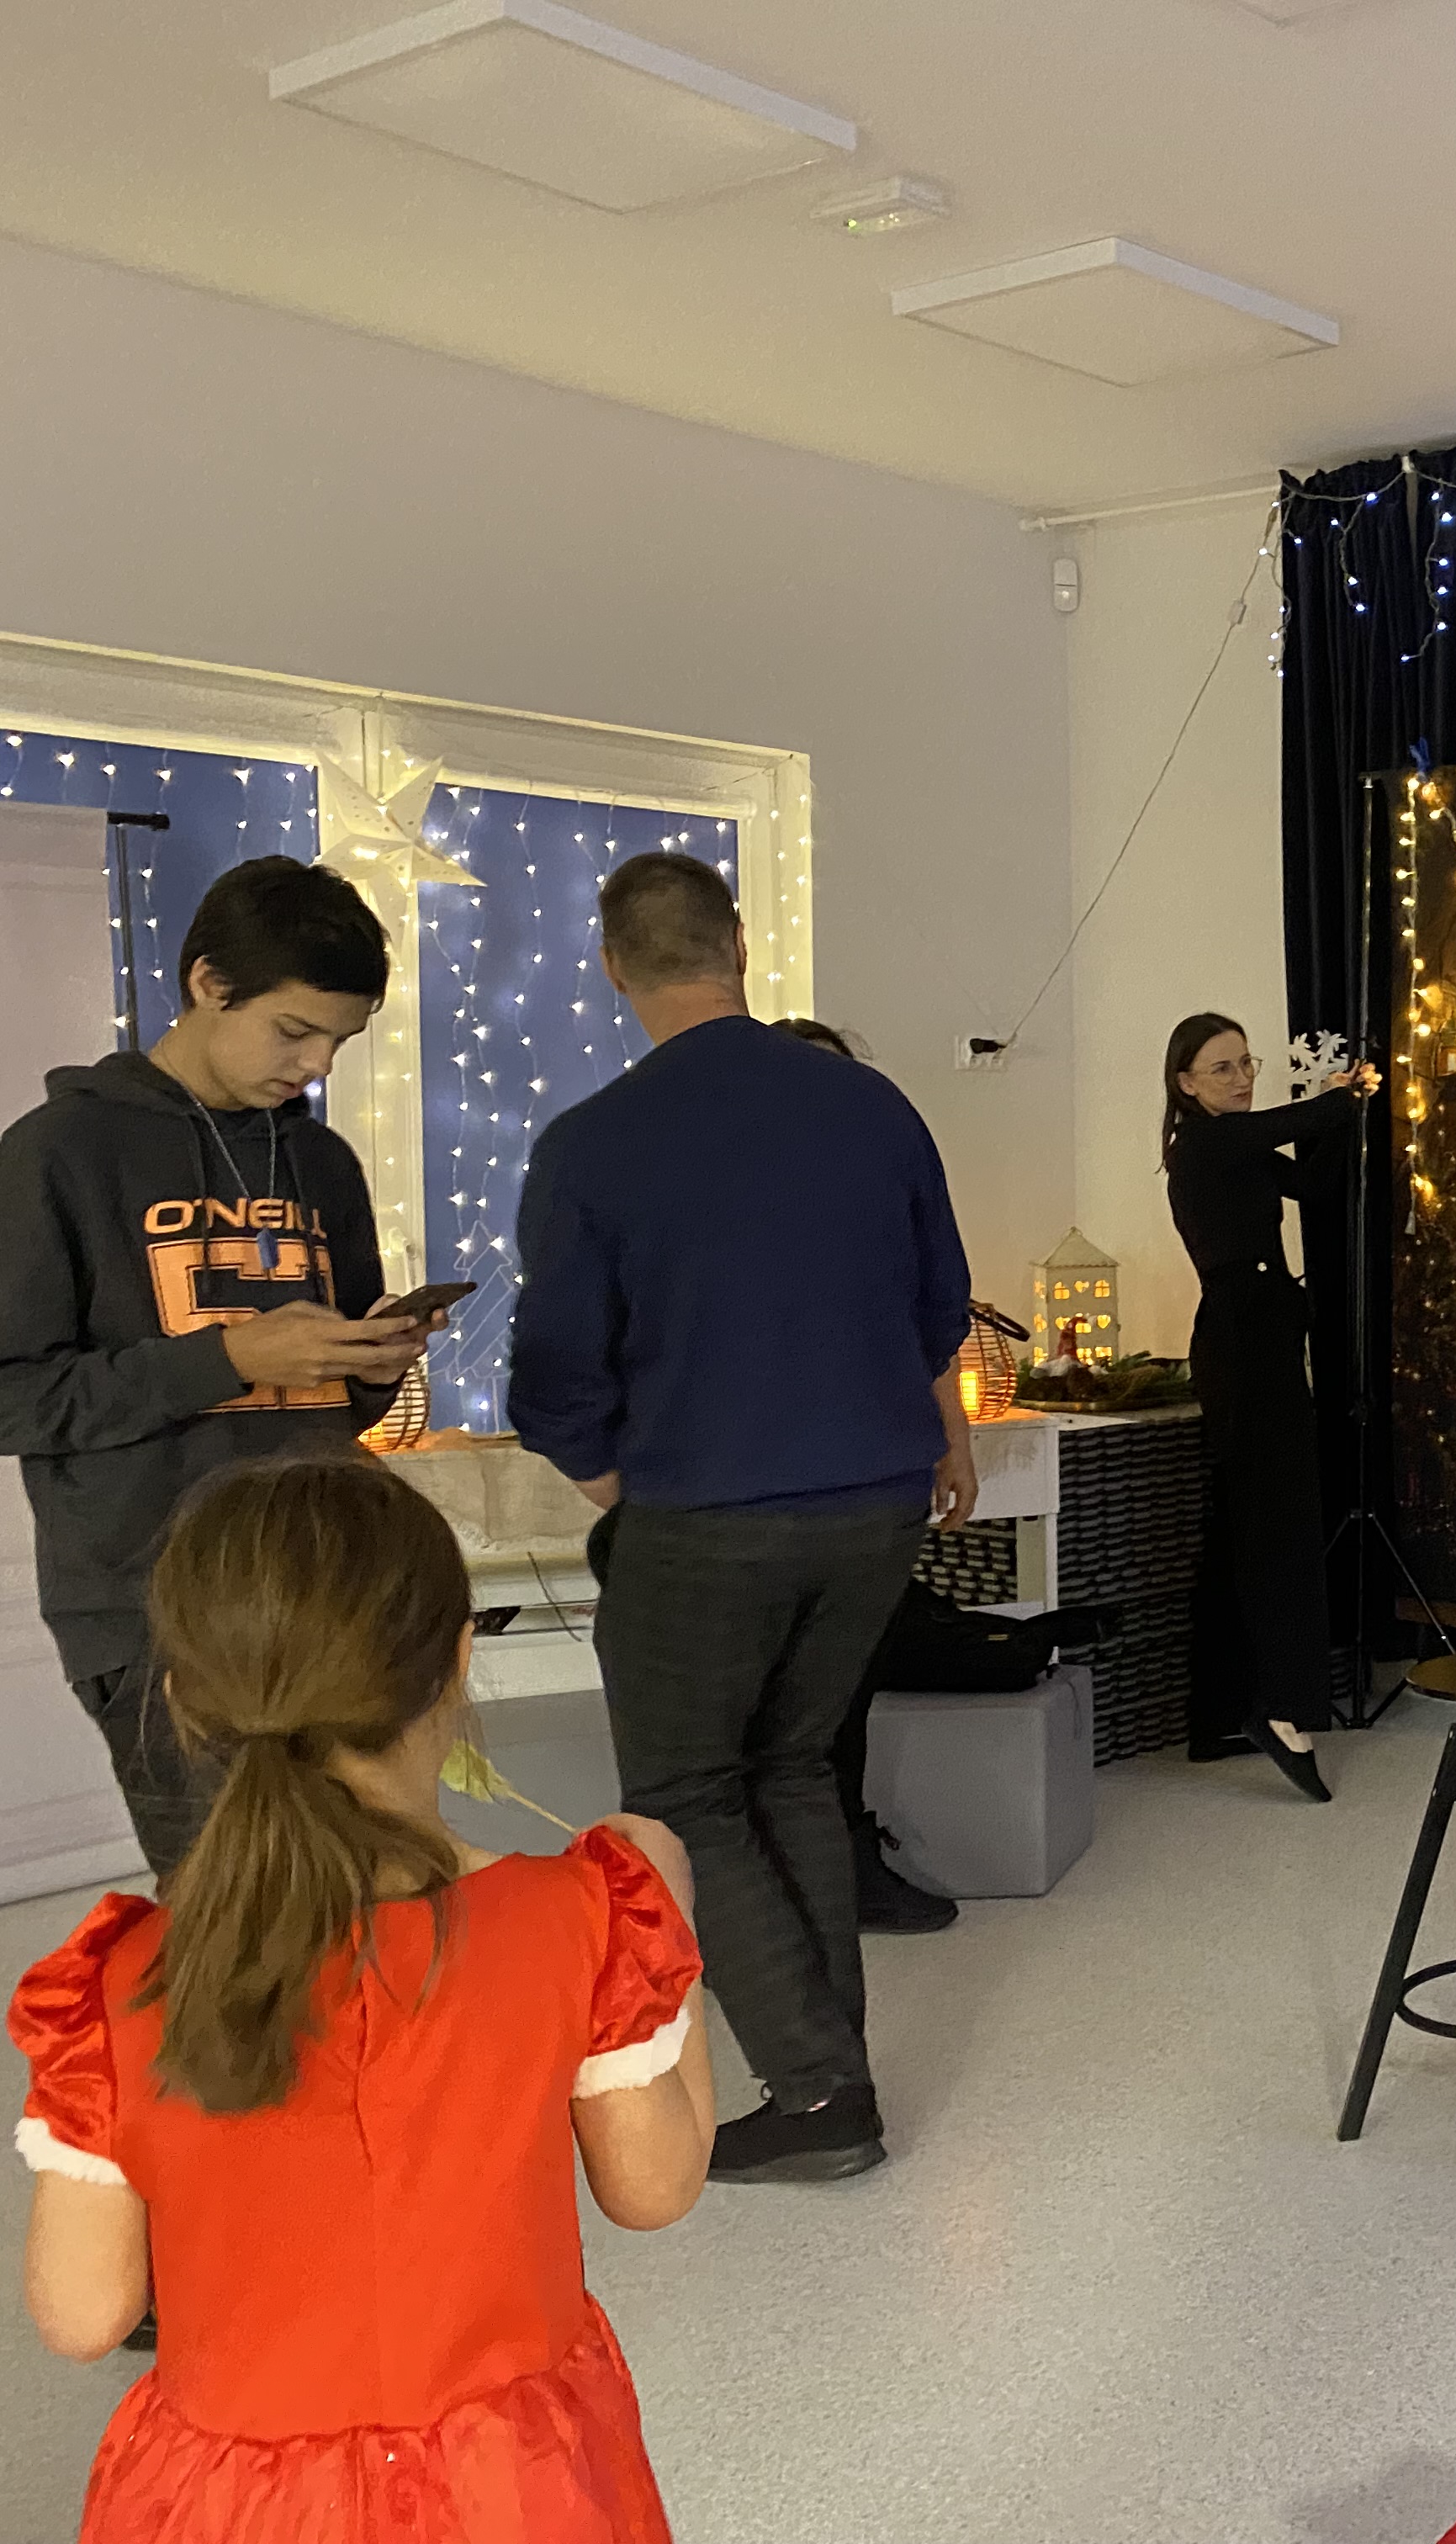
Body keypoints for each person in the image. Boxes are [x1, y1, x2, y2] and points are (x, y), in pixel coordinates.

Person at [10, 1455, 712, 2544]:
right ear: (458, 1661)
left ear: (185, 1699)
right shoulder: (580, 1915)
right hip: (515, 2489)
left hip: (227, 2508)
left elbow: (82, 2312)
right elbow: (654, 2188)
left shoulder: (119, 1979)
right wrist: (665, 1919)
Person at [510, 853, 975, 2187]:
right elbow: (940, 1304)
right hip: (874, 1505)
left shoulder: (594, 1141)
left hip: (703, 1511)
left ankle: (821, 2093)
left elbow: (554, 1373)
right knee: (791, 1768)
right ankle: (836, 2074)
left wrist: (611, 1481)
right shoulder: (871, 1107)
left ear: (614, 967)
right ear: (741, 950)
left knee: (685, 1792)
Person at [0, 856, 431, 1881]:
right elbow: (13, 1396)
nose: (315, 1066)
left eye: (339, 1042)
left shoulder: (320, 1163)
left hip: (328, 1590)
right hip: (156, 1611)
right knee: (234, 1914)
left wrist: (372, 1361)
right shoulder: (59, 1153)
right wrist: (229, 1357)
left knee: (369, 1896)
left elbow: (338, 1407)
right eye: (294, 1031)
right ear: (208, 982)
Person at [771, 1014, 958, 1940]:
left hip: (870, 1481)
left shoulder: (881, 1191)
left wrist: (953, 1440)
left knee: (850, 1683)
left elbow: (933, 1317)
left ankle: (847, 1863)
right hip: (765, 1490)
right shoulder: (746, 1203)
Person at [1163, 1012, 1376, 1804]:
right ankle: (1283, 1709)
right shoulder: (1204, 1144)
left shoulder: (1238, 1145)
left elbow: (1314, 1185)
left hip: (1261, 1338)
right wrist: (1343, 1097)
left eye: (1246, 1063)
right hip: (1243, 1346)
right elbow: (1299, 1123)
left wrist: (1342, 1118)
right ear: (1186, 1083)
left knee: (1244, 1529)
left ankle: (1221, 1711)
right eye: (1222, 1068)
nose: (1242, 1078)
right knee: (1281, 1526)